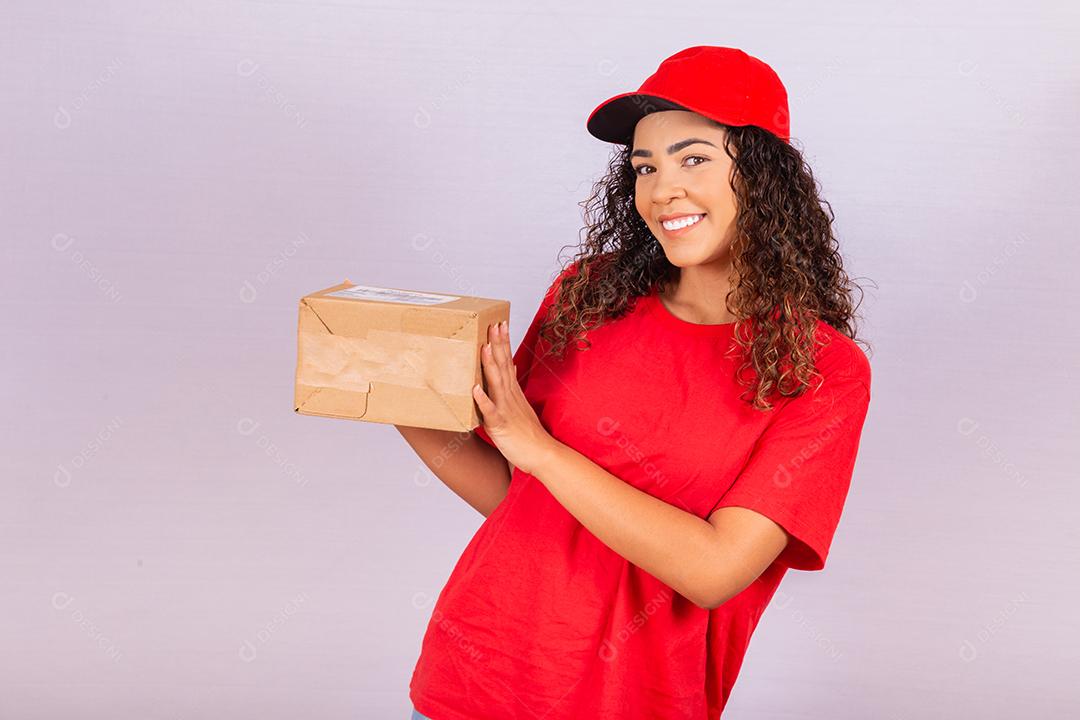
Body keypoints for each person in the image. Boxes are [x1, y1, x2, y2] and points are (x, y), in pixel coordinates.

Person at [399, 45, 872, 719]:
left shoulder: (821, 369)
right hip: (472, 677)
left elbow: (714, 571)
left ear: (763, 175)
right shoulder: (589, 293)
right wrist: (396, 392)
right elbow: (519, 497)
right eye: (644, 167)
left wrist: (539, 449)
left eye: (694, 158)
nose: (661, 188)